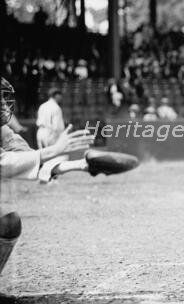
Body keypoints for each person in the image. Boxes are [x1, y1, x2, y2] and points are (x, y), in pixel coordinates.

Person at [0, 77, 139, 276]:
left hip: (42, 133)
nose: (4, 104)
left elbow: (22, 155)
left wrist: (82, 166)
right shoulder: (53, 109)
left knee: (8, 222)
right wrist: (55, 149)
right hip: (48, 134)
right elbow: (4, 163)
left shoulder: (2, 130)